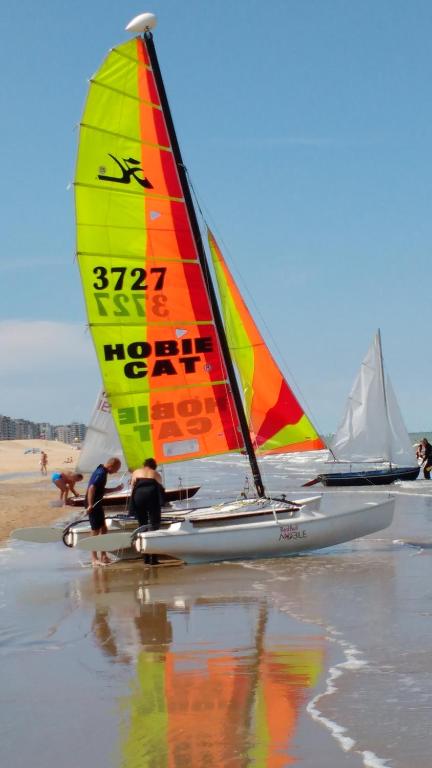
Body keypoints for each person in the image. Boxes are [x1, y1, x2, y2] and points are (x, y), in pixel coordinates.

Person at [85, 457, 123, 566]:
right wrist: (90, 504)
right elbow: (92, 488)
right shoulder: (100, 473)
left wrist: (115, 489)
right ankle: (94, 558)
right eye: (116, 469)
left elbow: (100, 489)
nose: (116, 471)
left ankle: (103, 556)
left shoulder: (103, 472)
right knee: (95, 530)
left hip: (97, 504)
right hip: (93, 504)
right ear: (111, 466)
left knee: (104, 528)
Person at [129, 458, 164, 565]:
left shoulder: (136, 472)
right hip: (152, 498)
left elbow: (132, 488)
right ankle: (154, 558)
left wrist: (132, 504)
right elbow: (160, 487)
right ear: (154, 466)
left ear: (144, 465)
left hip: (138, 497)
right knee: (154, 526)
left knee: (142, 525)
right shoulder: (156, 474)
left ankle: (145, 558)